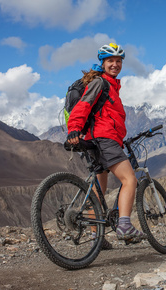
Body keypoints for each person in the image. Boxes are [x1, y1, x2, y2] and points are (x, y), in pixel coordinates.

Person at [66, 43, 147, 243]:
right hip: (105, 139)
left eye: (118, 61)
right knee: (130, 180)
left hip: (97, 140)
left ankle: (96, 238)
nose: (115, 64)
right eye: (110, 60)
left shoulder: (110, 86)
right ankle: (125, 226)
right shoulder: (101, 83)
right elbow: (84, 105)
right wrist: (74, 128)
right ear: (102, 62)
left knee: (98, 191)